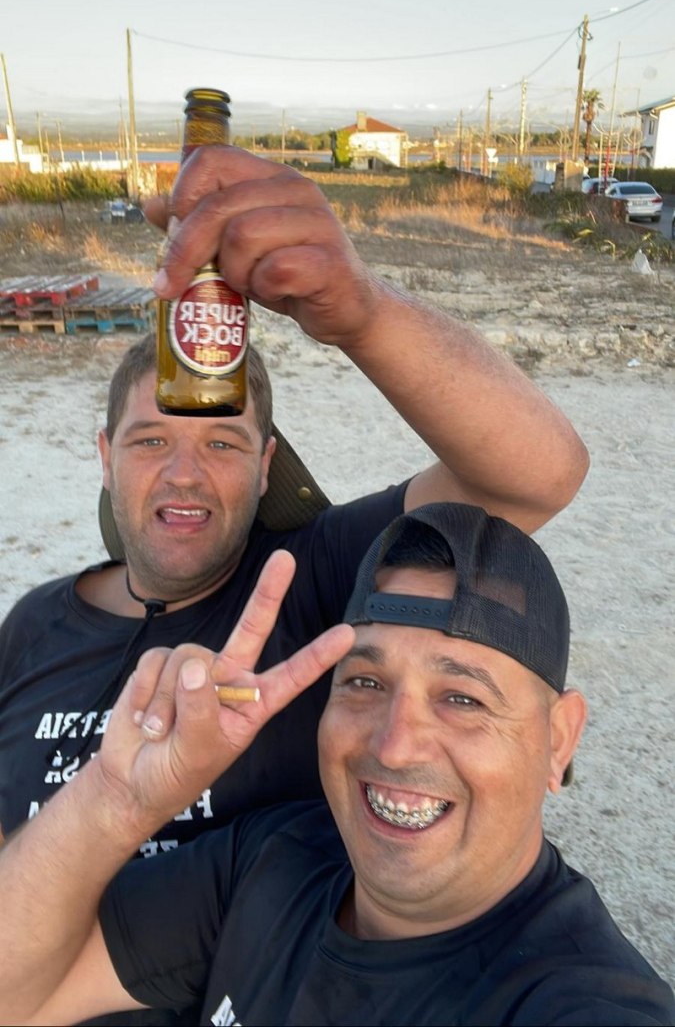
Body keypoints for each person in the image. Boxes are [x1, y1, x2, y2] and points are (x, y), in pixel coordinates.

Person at [0, 148, 587, 1026]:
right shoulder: (32, 623)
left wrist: (359, 310)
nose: (185, 475)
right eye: (152, 441)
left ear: (267, 463)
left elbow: (535, 474)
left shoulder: (310, 577)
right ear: (104, 456)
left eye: (223, 443)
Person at [0, 502, 671, 1027]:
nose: (394, 746)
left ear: (559, 739)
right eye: (364, 683)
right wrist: (118, 797)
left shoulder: (578, 1000)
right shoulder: (272, 858)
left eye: (462, 699)